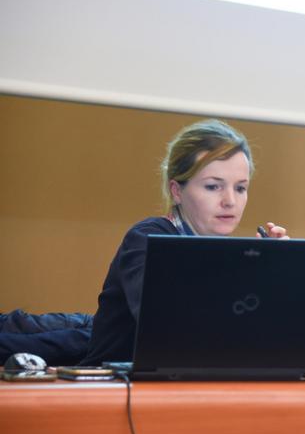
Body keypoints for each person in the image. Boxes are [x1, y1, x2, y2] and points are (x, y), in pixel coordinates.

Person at [80, 119, 287, 365]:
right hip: (114, 393)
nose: (230, 201)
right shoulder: (147, 240)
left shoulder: (234, 254)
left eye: (240, 188)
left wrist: (279, 276)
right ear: (177, 191)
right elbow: (172, 330)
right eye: (213, 187)